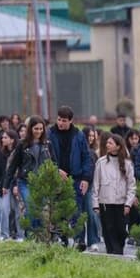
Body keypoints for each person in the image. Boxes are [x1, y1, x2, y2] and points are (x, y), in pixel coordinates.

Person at [48, 106, 94, 250]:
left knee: (76, 210)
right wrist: (56, 170)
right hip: (55, 179)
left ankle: (79, 240)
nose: (61, 123)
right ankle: (62, 240)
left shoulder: (78, 135)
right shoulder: (50, 133)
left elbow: (86, 157)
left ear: (71, 121)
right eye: (59, 119)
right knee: (59, 211)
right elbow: (45, 156)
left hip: (75, 178)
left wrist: (86, 178)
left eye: (64, 120)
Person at [3, 116, 53, 238]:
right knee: (31, 208)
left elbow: (53, 163)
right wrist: (6, 185)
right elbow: (13, 166)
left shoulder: (47, 145)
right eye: (36, 128)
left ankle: (39, 236)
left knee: (40, 211)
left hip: (42, 182)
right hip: (25, 181)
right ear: (30, 129)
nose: (39, 131)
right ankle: (30, 235)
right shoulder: (22, 145)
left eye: (41, 129)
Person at [92, 133, 136, 255]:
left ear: (118, 146)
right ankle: (113, 252)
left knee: (121, 229)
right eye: (107, 143)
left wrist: (128, 203)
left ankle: (118, 248)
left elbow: (132, 185)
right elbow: (96, 184)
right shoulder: (101, 162)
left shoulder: (127, 163)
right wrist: (95, 204)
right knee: (108, 228)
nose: (107, 145)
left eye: (110, 143)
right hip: (105, 201)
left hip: (121, 202)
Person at [0, 129, 21, 241]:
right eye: (2, 137)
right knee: (4, 210)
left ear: (12, 140)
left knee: (17, 211)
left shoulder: (19, 153)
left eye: (5, 137)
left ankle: (20, 235)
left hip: (17, 185)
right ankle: (4, 235)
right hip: (4, 187)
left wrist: (17, 185)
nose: (3, 139)